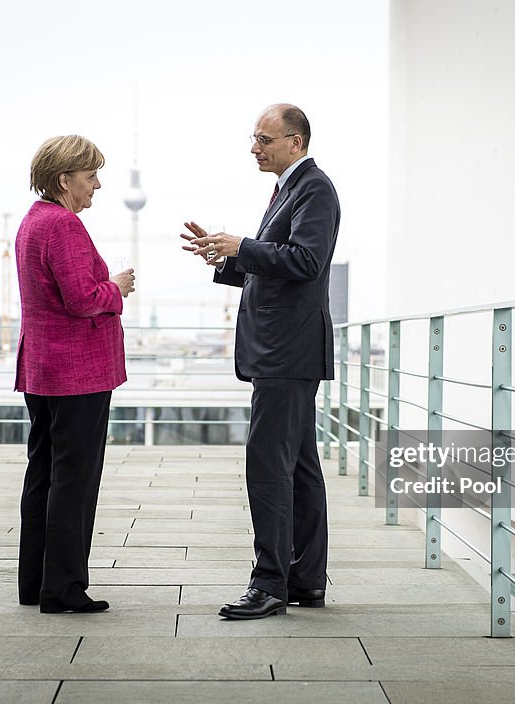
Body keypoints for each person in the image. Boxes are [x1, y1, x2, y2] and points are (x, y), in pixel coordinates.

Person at [181, 104, 340, 619]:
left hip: (286, 351)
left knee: (268, 466)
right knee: (298, 467)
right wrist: (226, 258)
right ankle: (305, 579)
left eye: (264, 140)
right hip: (284, 350)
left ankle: (270, 583)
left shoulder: (314, 189)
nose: (255, 148)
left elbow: (307, 262)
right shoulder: (289, 190)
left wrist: (244, 246)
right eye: (254, 139)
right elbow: (277, 264)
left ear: (296, 142)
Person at [14, 135, 135, 614]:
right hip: (78, 373)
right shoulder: (63, 225)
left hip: (44, 369)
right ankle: (63, 589)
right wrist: (117, 288)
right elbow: (82, 299)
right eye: (90, 177)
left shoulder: (32, 221)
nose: (97, 185)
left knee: (43, 472)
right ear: (65, 180)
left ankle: (37, 582)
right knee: (75, 480)